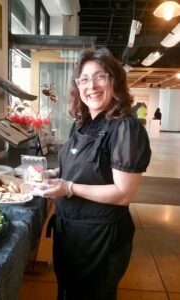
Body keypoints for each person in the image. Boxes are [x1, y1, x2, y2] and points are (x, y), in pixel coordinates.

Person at [43, 47, 151, 300]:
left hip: (101, 238)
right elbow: (88, 166)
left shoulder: (126, 128)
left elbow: (123, 193)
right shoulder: (82, 123)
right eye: (84, 79)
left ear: (115, 81)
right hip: (71, 233)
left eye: (100, 76)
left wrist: (69, 187)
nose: (91, 85)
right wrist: (56, 173)